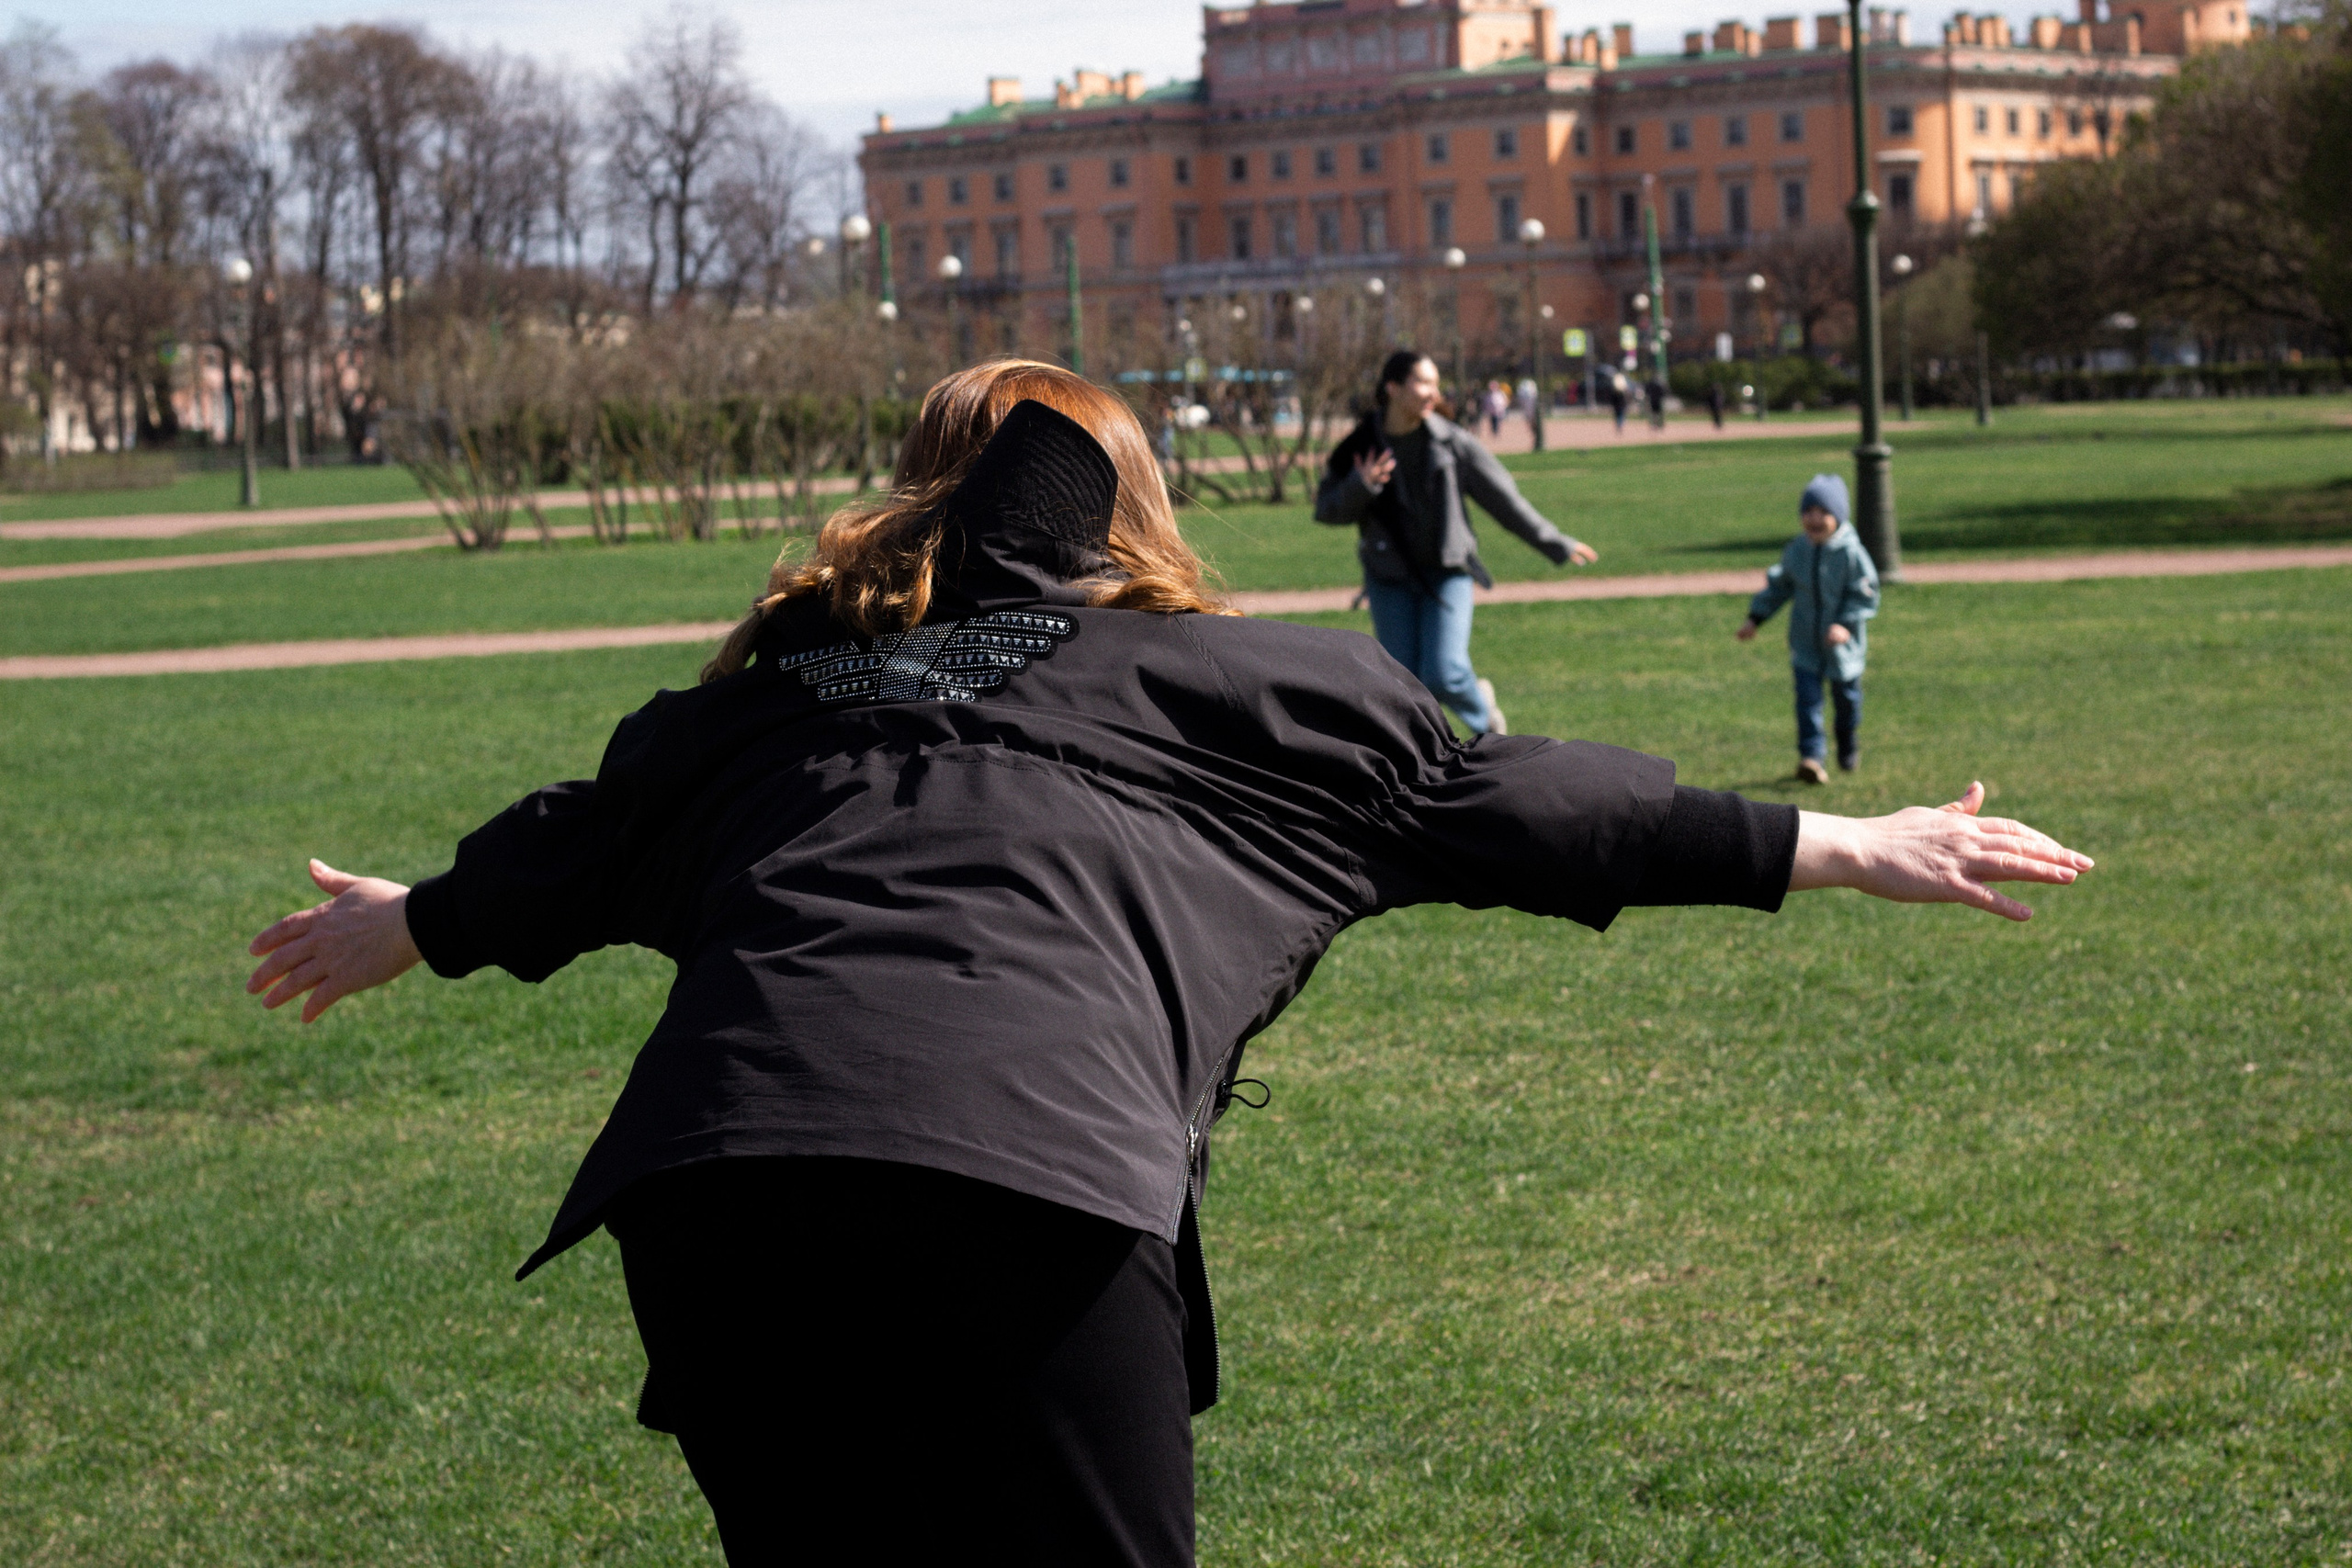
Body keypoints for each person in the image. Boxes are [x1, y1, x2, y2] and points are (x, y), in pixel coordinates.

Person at [245, 360, 2089, 1568]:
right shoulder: (1241, 691)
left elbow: (576, 843)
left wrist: (408, 921)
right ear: (1132, 512)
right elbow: (1522, 803)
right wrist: (1846, 844)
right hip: (1022, 1189)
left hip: (720, 1202)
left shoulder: (780, 697)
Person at [1314, 350, 1599, 737]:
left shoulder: (1452, 442)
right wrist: (1360, 486)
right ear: (1393, 388)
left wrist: (1557, 543)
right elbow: (1326, 510)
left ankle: (1486, 721)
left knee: (1444, 672)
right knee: (1402, 683)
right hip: (1389, 576)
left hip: (1448, 570)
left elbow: (1504, 500)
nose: (1434, 392)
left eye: (1436, 383)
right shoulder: (1360, 446)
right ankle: (1424, 758)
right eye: (1423, 382)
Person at [1738, 473, 1881, 784]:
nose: (1814, 519)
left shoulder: (1851, 553)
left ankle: (1847, 742)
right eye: (1808, 512)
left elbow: (1865, 594)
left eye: (1823, 512)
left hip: (1843, 650)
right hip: (1805, 645)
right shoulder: (1798, 551)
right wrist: (1755, 618)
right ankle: (1812, 758)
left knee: (1847, 703)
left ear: (1839, 516)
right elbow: (1779, 587)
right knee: (1807, 703)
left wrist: (1844, 625)